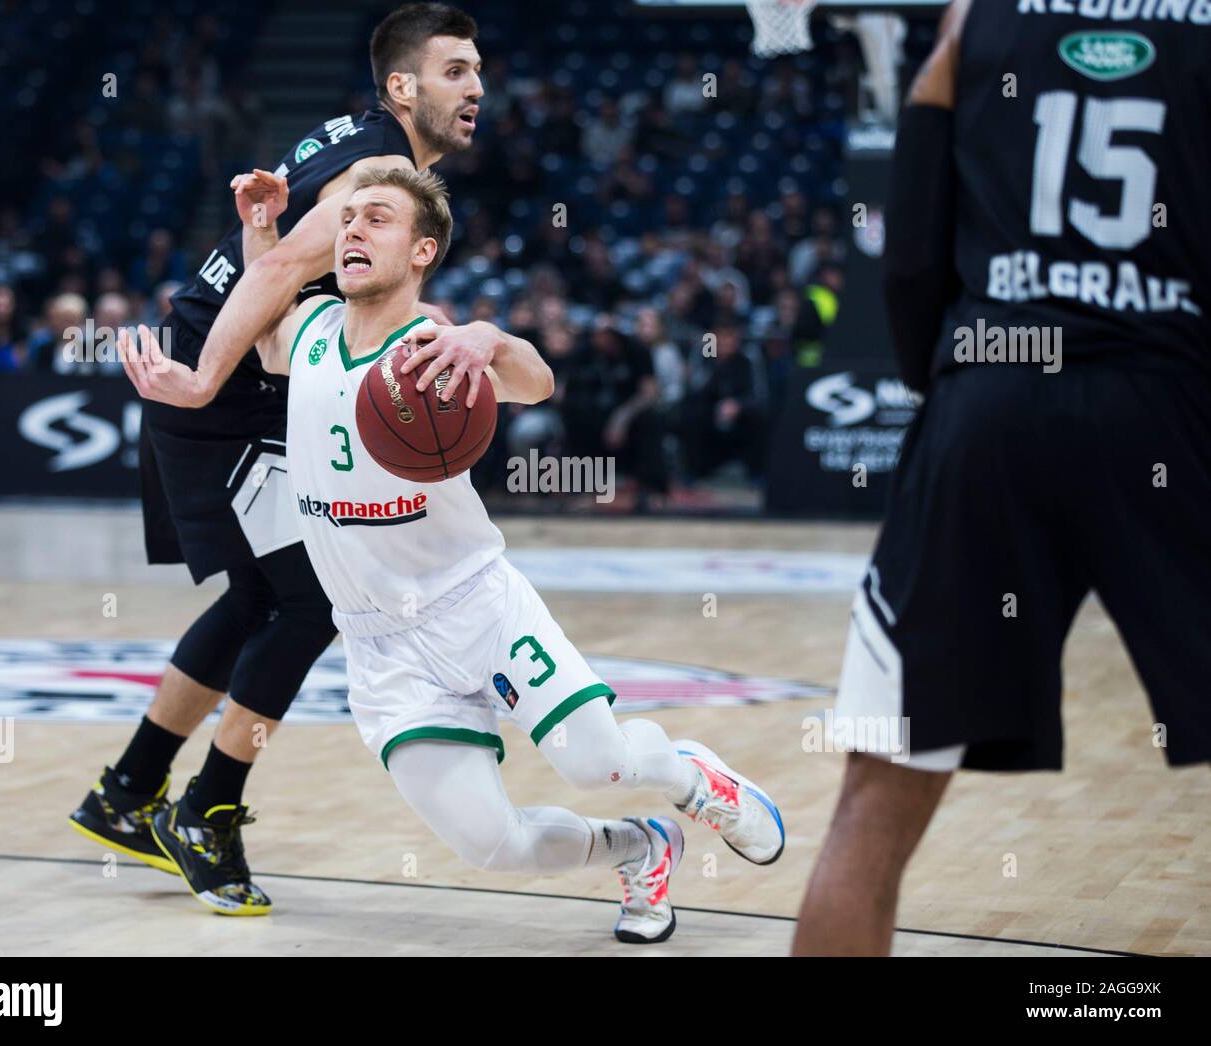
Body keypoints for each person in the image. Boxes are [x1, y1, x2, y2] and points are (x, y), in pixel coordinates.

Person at [125, 166, 786, 944]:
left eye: (377, 219)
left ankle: (689, 776)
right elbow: (265, 322)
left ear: (421, 251)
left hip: (476, 606)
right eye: (347, 219)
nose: (352, 231)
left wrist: (491, 340)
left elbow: (536, 384)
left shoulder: (432, 349)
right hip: (381, 648)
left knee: (597, 763)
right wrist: (262, 227)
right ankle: (642, 848)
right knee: (492, 844)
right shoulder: (305, 334)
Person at [794, 0, 1210, 956]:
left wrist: (945, 391)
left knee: (875, 800)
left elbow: (910, 258)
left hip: (992, 401)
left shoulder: (973, 21)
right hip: (1165, 397)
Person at [72, 3, 491, 917]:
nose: (477, 90)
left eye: (477, 71)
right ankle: (206, 811)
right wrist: (200, 379)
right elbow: (268, 277)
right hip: (221, 385)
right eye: (456, 71)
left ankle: (127, 793)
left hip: (243, 375)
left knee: (263, 597)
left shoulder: (369, 142)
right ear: (402, 85)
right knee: (308, 601)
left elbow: (273, 261)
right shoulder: (377, 165)